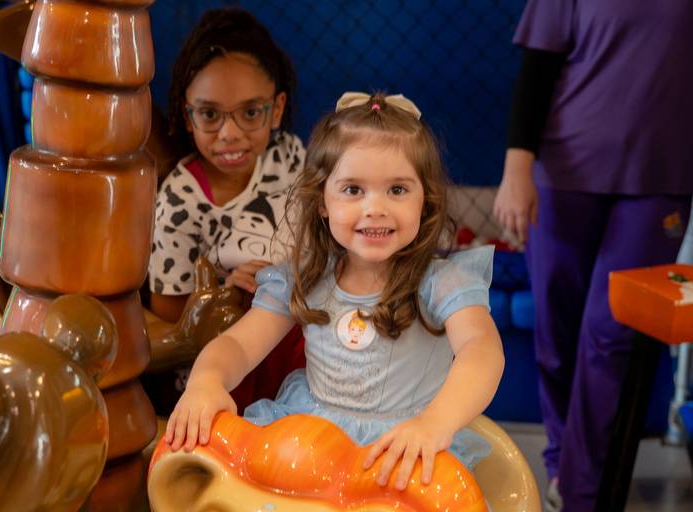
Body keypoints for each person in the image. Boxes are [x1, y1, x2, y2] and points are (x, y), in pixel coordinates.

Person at [165, 92, 505, 489]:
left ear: (425, 202)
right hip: (313, 441)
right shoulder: (305, 279)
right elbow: (239, 344)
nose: (375, 208)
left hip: (405, 445)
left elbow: (481, 349)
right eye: (353, 190)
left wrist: (435, 423)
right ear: (322, 201)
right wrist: (206, 382)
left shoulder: (441, 282)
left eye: (397, 190)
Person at [493, 1, 693, 510]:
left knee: (611, 335)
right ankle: (562, 461)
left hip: (661, 180)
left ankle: (583, 492)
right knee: (556, 328)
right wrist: (517, 169)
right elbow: (537, 69)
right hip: (564, 174)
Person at [146, 7, 306, 414]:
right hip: (221, 367)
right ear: (188, 115)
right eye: (210, 114)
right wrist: (227, 293)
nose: (229, 133)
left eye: (250, 112)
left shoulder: (288, 157)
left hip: (296, 331)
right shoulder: (179, 201)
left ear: (277, 108)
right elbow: (169, 314)